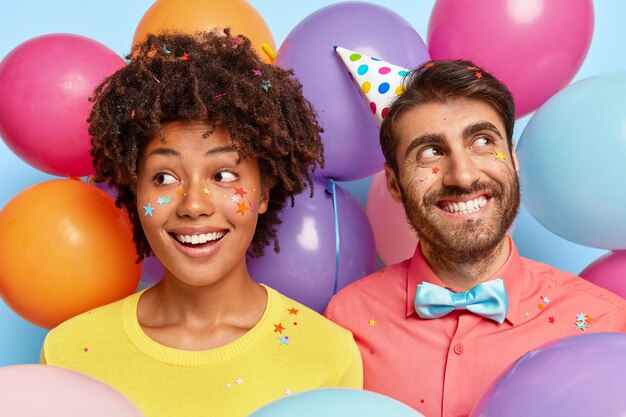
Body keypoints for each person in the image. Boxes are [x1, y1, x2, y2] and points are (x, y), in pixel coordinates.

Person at [41, 30, 362, 417]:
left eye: (224, 176)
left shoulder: (328, 355)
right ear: (133, 190)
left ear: (263, 193)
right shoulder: (69, 352)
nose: (193, 205)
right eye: (164, 177)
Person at [324, 59, 626, 417]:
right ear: (393, 183)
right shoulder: (345, 321)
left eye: (482, 141)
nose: (463, 176)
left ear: (513, 159)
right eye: (430, 151)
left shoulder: (602, 325)